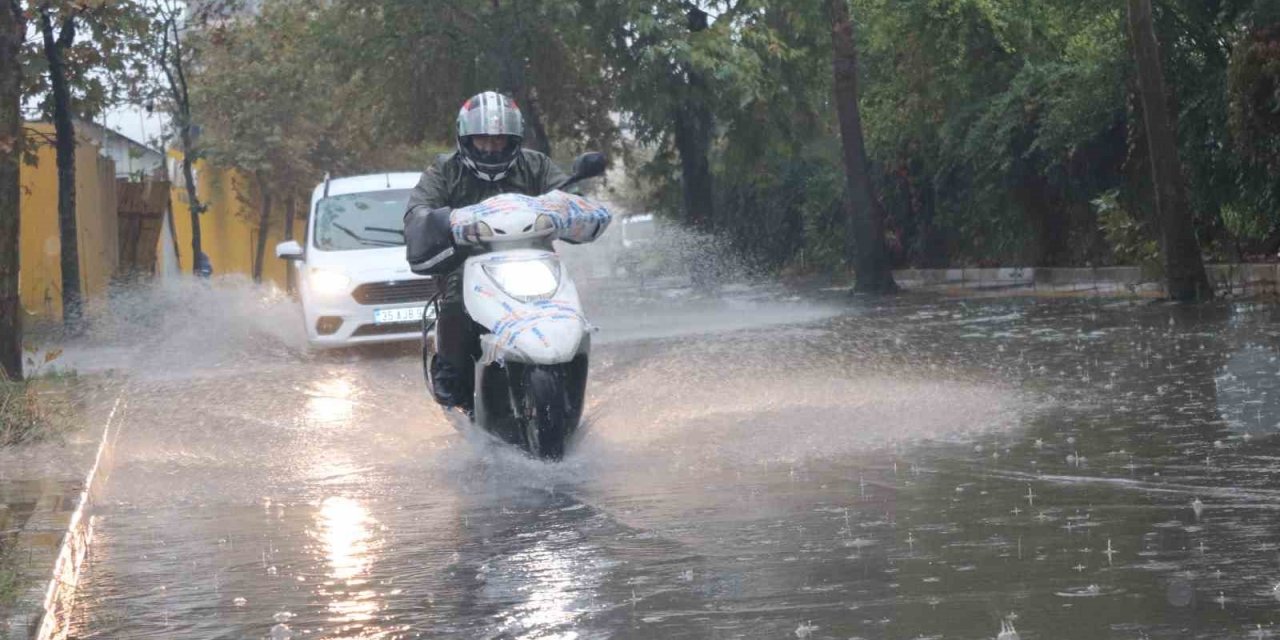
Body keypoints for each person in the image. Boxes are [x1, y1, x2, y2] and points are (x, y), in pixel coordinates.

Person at [404, 91, 572, 412]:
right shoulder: (444, 170)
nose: (492, 148)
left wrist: (573, 203)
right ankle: (450, 366)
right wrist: (434, 221)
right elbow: (419, 210)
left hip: (534, 258)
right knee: (454, 293)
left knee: (564, 295)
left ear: (515, 140)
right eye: (483, 140)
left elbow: (567, 194)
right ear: (466, 139)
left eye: (500, 141)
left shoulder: (536, 165)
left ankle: (569, 352)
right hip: (467, 263)